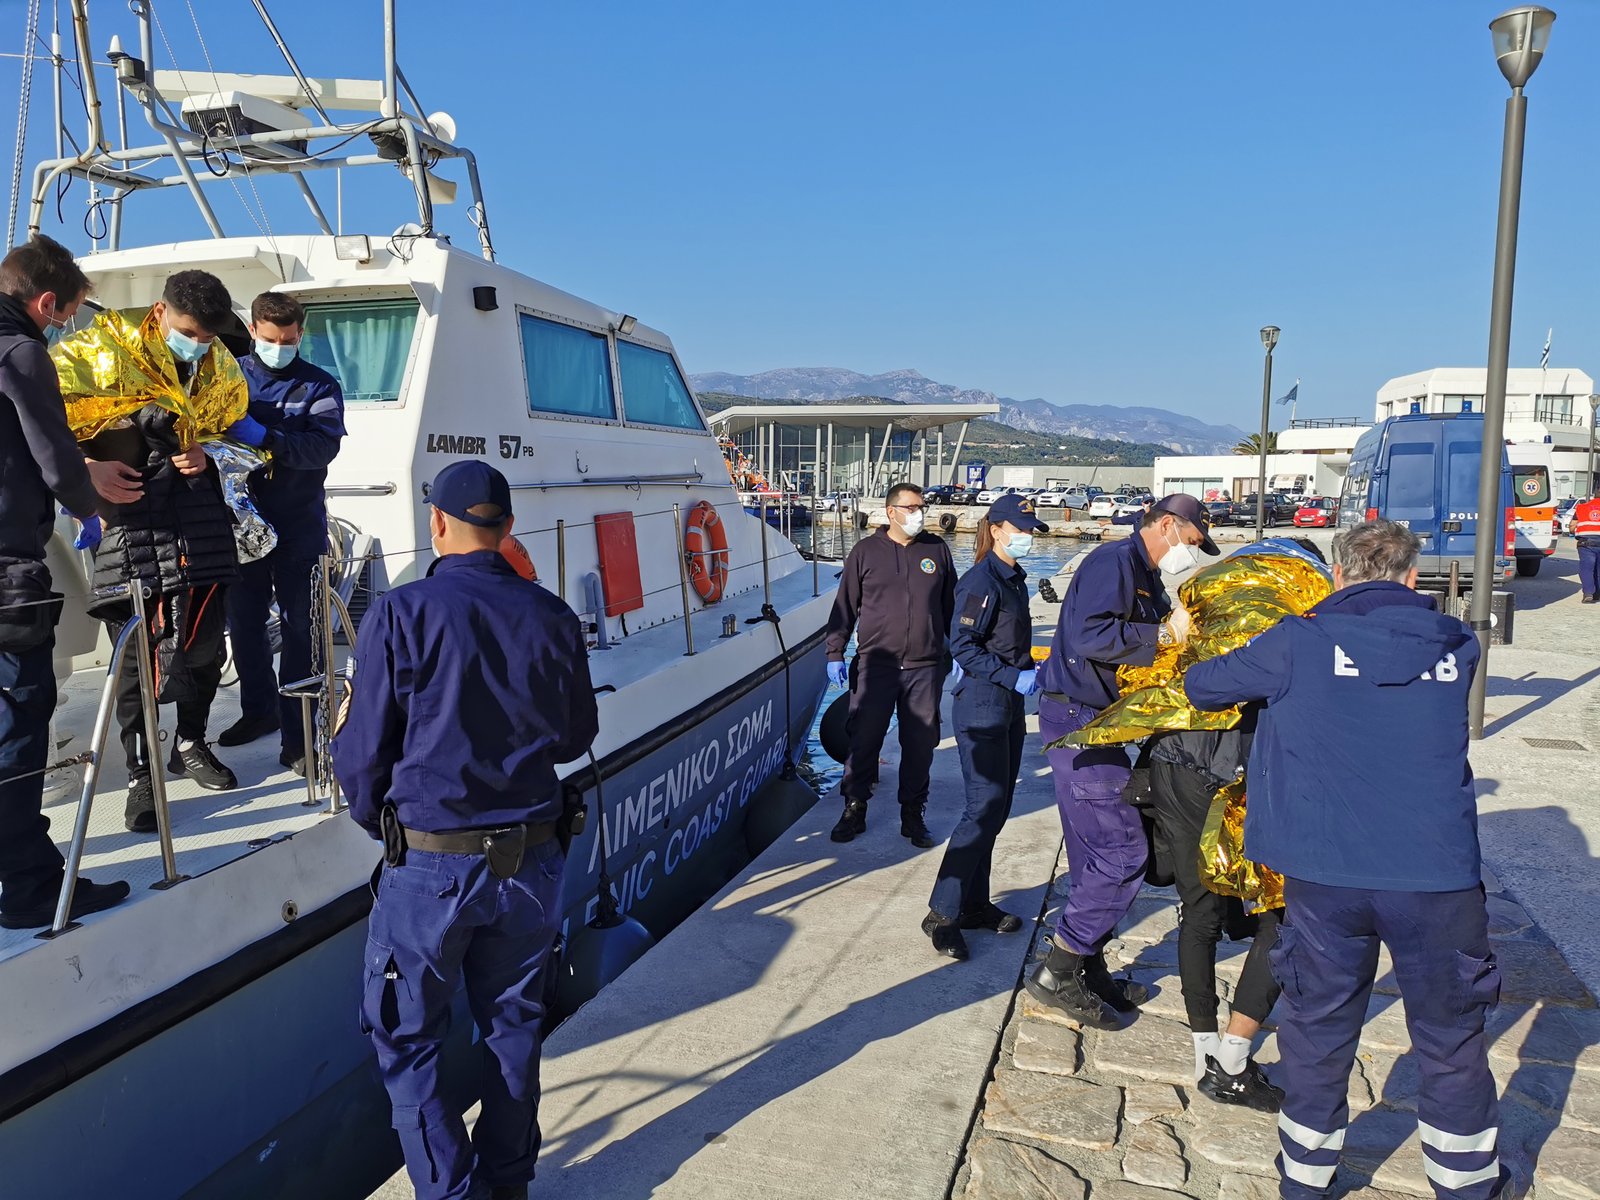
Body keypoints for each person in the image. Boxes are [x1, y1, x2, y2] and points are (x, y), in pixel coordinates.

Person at [1186, 520, 1504, 1200]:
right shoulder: (1459, 643)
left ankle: (1304, 1182)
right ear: (1414, 578)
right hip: (1436, 874)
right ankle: (1468, 1185)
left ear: (1338, 573)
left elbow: (1203, 686)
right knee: (1451, 1038)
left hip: (1326, 873)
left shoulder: (1299, 641)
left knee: (1320, 1030)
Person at [332, 461, 599, 1200]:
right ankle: (508, 1183)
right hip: (533, 860)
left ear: (437, 524)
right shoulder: (553, 616)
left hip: (431, 869)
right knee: (514, 1028)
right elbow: (579, 733)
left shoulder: (399, 613)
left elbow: (360, 758)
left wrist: (384, 824)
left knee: (408, 1040)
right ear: (507, 528)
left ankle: (450, 1193)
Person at [1024, 494, 1209, 1028]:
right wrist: (1162, 634)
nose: (1193, 555)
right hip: (1081, 723)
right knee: (1121, 851)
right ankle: (1058, 970)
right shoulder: (1114, 563)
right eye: (1193, 543)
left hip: (1094, 721)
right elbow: (1088, 634)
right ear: (1168, 525)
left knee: (1089, 857)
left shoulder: (1143, 572)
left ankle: (1089, 967)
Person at [77, 270, 242, 831]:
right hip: (131, 527)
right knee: (133, 663)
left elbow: (240, 435)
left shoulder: (222, 363)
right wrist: (85, 469)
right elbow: (41, 428)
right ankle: (139, 774)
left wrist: (210, 455)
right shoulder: (100, 347)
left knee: (203, 649)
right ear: (161, 310)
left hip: (200, 525)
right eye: (189, 331)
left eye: (207, 337)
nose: (197, 343)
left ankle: (191, 742)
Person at [0, 235, 131, 929]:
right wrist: (89, 508)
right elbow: (52, 452)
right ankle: (29, 890)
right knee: (19, 726)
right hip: (6, 576)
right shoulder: (21, 352)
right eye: (66, 316)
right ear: (46, 302)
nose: (61, 329)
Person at [219, 292, 347, 775]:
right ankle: (258, 712)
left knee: (302, 631)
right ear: (253, 330)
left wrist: (267, 439)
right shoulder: (227, 377)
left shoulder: (319, 386)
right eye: (271, 339)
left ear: (301, 333)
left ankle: (300, 737)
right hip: (241, 521)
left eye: (289, 340)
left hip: (298, 524)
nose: (280, 347)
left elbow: (322, 449)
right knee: (244, 625)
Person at [921, 494, 1048, 958]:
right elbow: (963, 644)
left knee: (997, 807)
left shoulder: (1013, 578)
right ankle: (943, 912)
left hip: (1008, 708)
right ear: (995, 529)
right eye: (1019, 527)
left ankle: (975, 903)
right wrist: (1013, 674)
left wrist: (1022, 675)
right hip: (980, 708)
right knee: (982, 808)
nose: (1027, 536)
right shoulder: (982, 581)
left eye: (1031, 528)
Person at [824, 481, 957, 848]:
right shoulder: (866, 552)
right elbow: (844, 607)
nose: (920, 514)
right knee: (864, 738)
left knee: (920, 742)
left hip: (924, 666)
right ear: (891, 512)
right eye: (912, 508)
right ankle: (855, 806)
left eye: (922, 507)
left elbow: (951, 608)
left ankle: (912, 814)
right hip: (875, 665)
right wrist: (834, 652)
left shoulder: (936, 550)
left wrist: (960, 648)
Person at [1574, 492, 1600, 603]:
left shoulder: (1581, 507)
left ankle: (1588, 593)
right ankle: (1597, 594)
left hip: (1586, 542)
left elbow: (1572, 525)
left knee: (1587, 568)